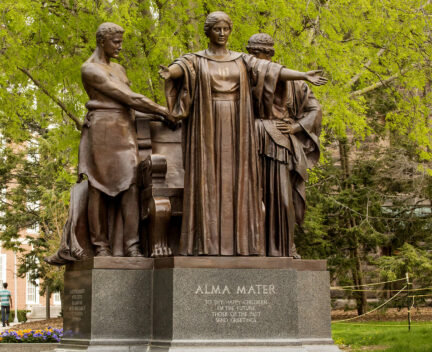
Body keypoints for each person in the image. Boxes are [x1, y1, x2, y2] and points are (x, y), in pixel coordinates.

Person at [159, 12, 326, 256]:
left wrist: (302, 75)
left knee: (237, 181)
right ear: (208, 31)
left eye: (226, 28)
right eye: (217, 28)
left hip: (238, 127)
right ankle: (204, 242)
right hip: (207, 123)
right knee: (208, 178)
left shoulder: (243, 61)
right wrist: (171, 73)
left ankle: (242, 243)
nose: (222, 33)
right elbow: (181, 68)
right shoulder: (196, 59)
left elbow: (271, 71)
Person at [78, 22, 170, 257]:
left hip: (124, 128)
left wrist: (162, 115)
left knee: (131, 183)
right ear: (102, 41)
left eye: (121, 41)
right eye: (115, 42)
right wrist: (163, 110)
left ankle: (132, 245)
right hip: (102, 129)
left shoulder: (119, 68)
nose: (120, 46)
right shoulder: (90, 69)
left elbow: (131, 103)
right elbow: (128, 96)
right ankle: (100, 247)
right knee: (98, 186)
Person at [247, 33, 323, 257]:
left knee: (282, 196)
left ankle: (285, 246)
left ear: (269, 55)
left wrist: (296, 128)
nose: (253, 58)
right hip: (248, 141)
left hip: (279, 143)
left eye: (257, 53)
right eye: (250, 53)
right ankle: (252, 246)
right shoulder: (244, 77)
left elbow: (315, 109)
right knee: (249, 195)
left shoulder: (295, 82)